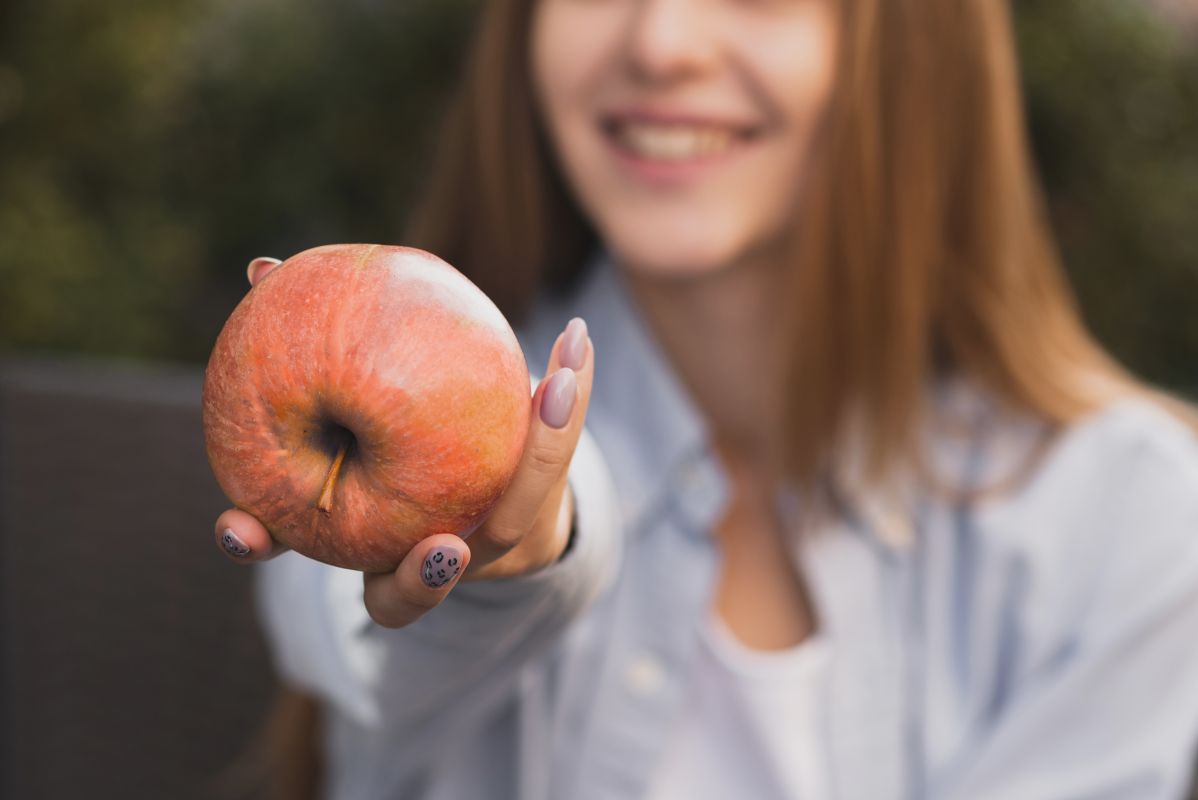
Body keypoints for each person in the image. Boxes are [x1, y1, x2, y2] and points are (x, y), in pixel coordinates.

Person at [215, 0, 1198, 798]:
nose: (660, 40)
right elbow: (349, 635)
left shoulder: (1135, 517)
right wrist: (524, 540)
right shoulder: (406, 387)